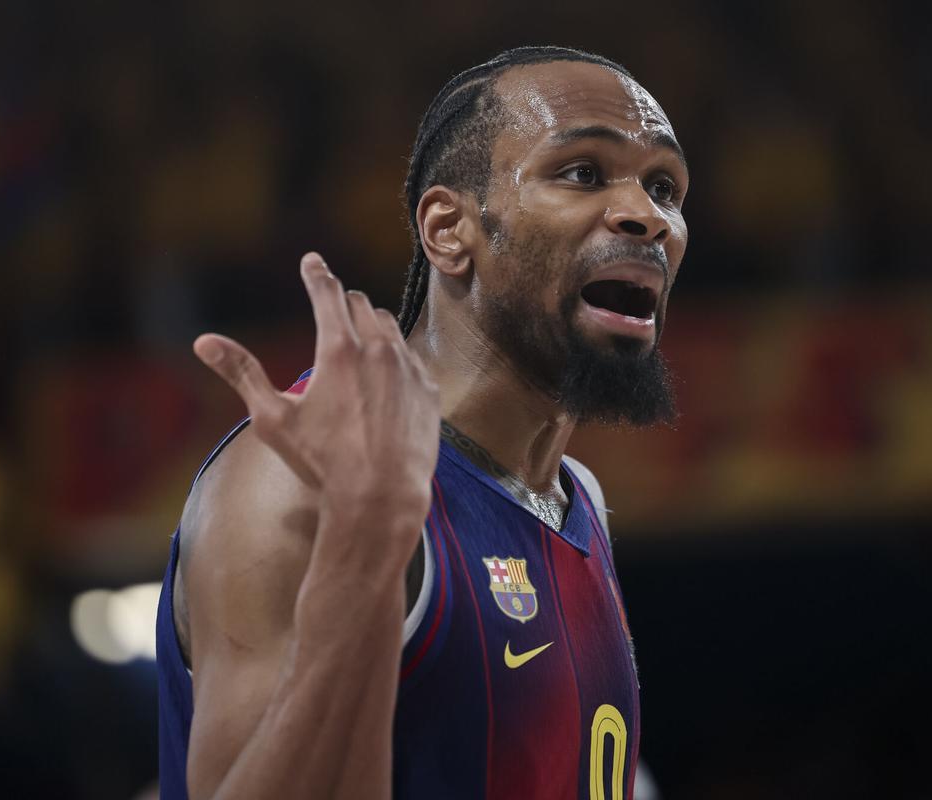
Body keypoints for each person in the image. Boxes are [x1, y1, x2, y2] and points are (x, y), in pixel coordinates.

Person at [156, 45, 689, 800]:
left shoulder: (578, 499)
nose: (648, 216)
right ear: (448, 229)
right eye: (583, 174)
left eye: (665, 187)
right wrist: (364, 549)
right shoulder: (296, 477)